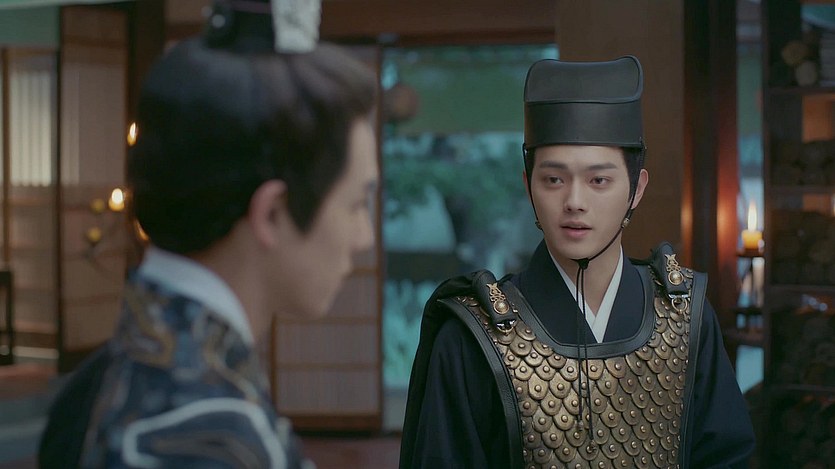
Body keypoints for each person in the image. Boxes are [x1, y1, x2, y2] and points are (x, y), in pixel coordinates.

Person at [38, 0, 378, 467]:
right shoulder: (212, 439)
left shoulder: (95, 382)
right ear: (272, 213)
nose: (364, 237)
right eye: (356, 204)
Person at [399, 56, 755, 469]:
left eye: (599, 180)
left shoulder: (683, 315)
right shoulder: (473, 334)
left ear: (636, 189)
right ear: (528, 186)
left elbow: (725, 458)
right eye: (553, 179)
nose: (574, 201)